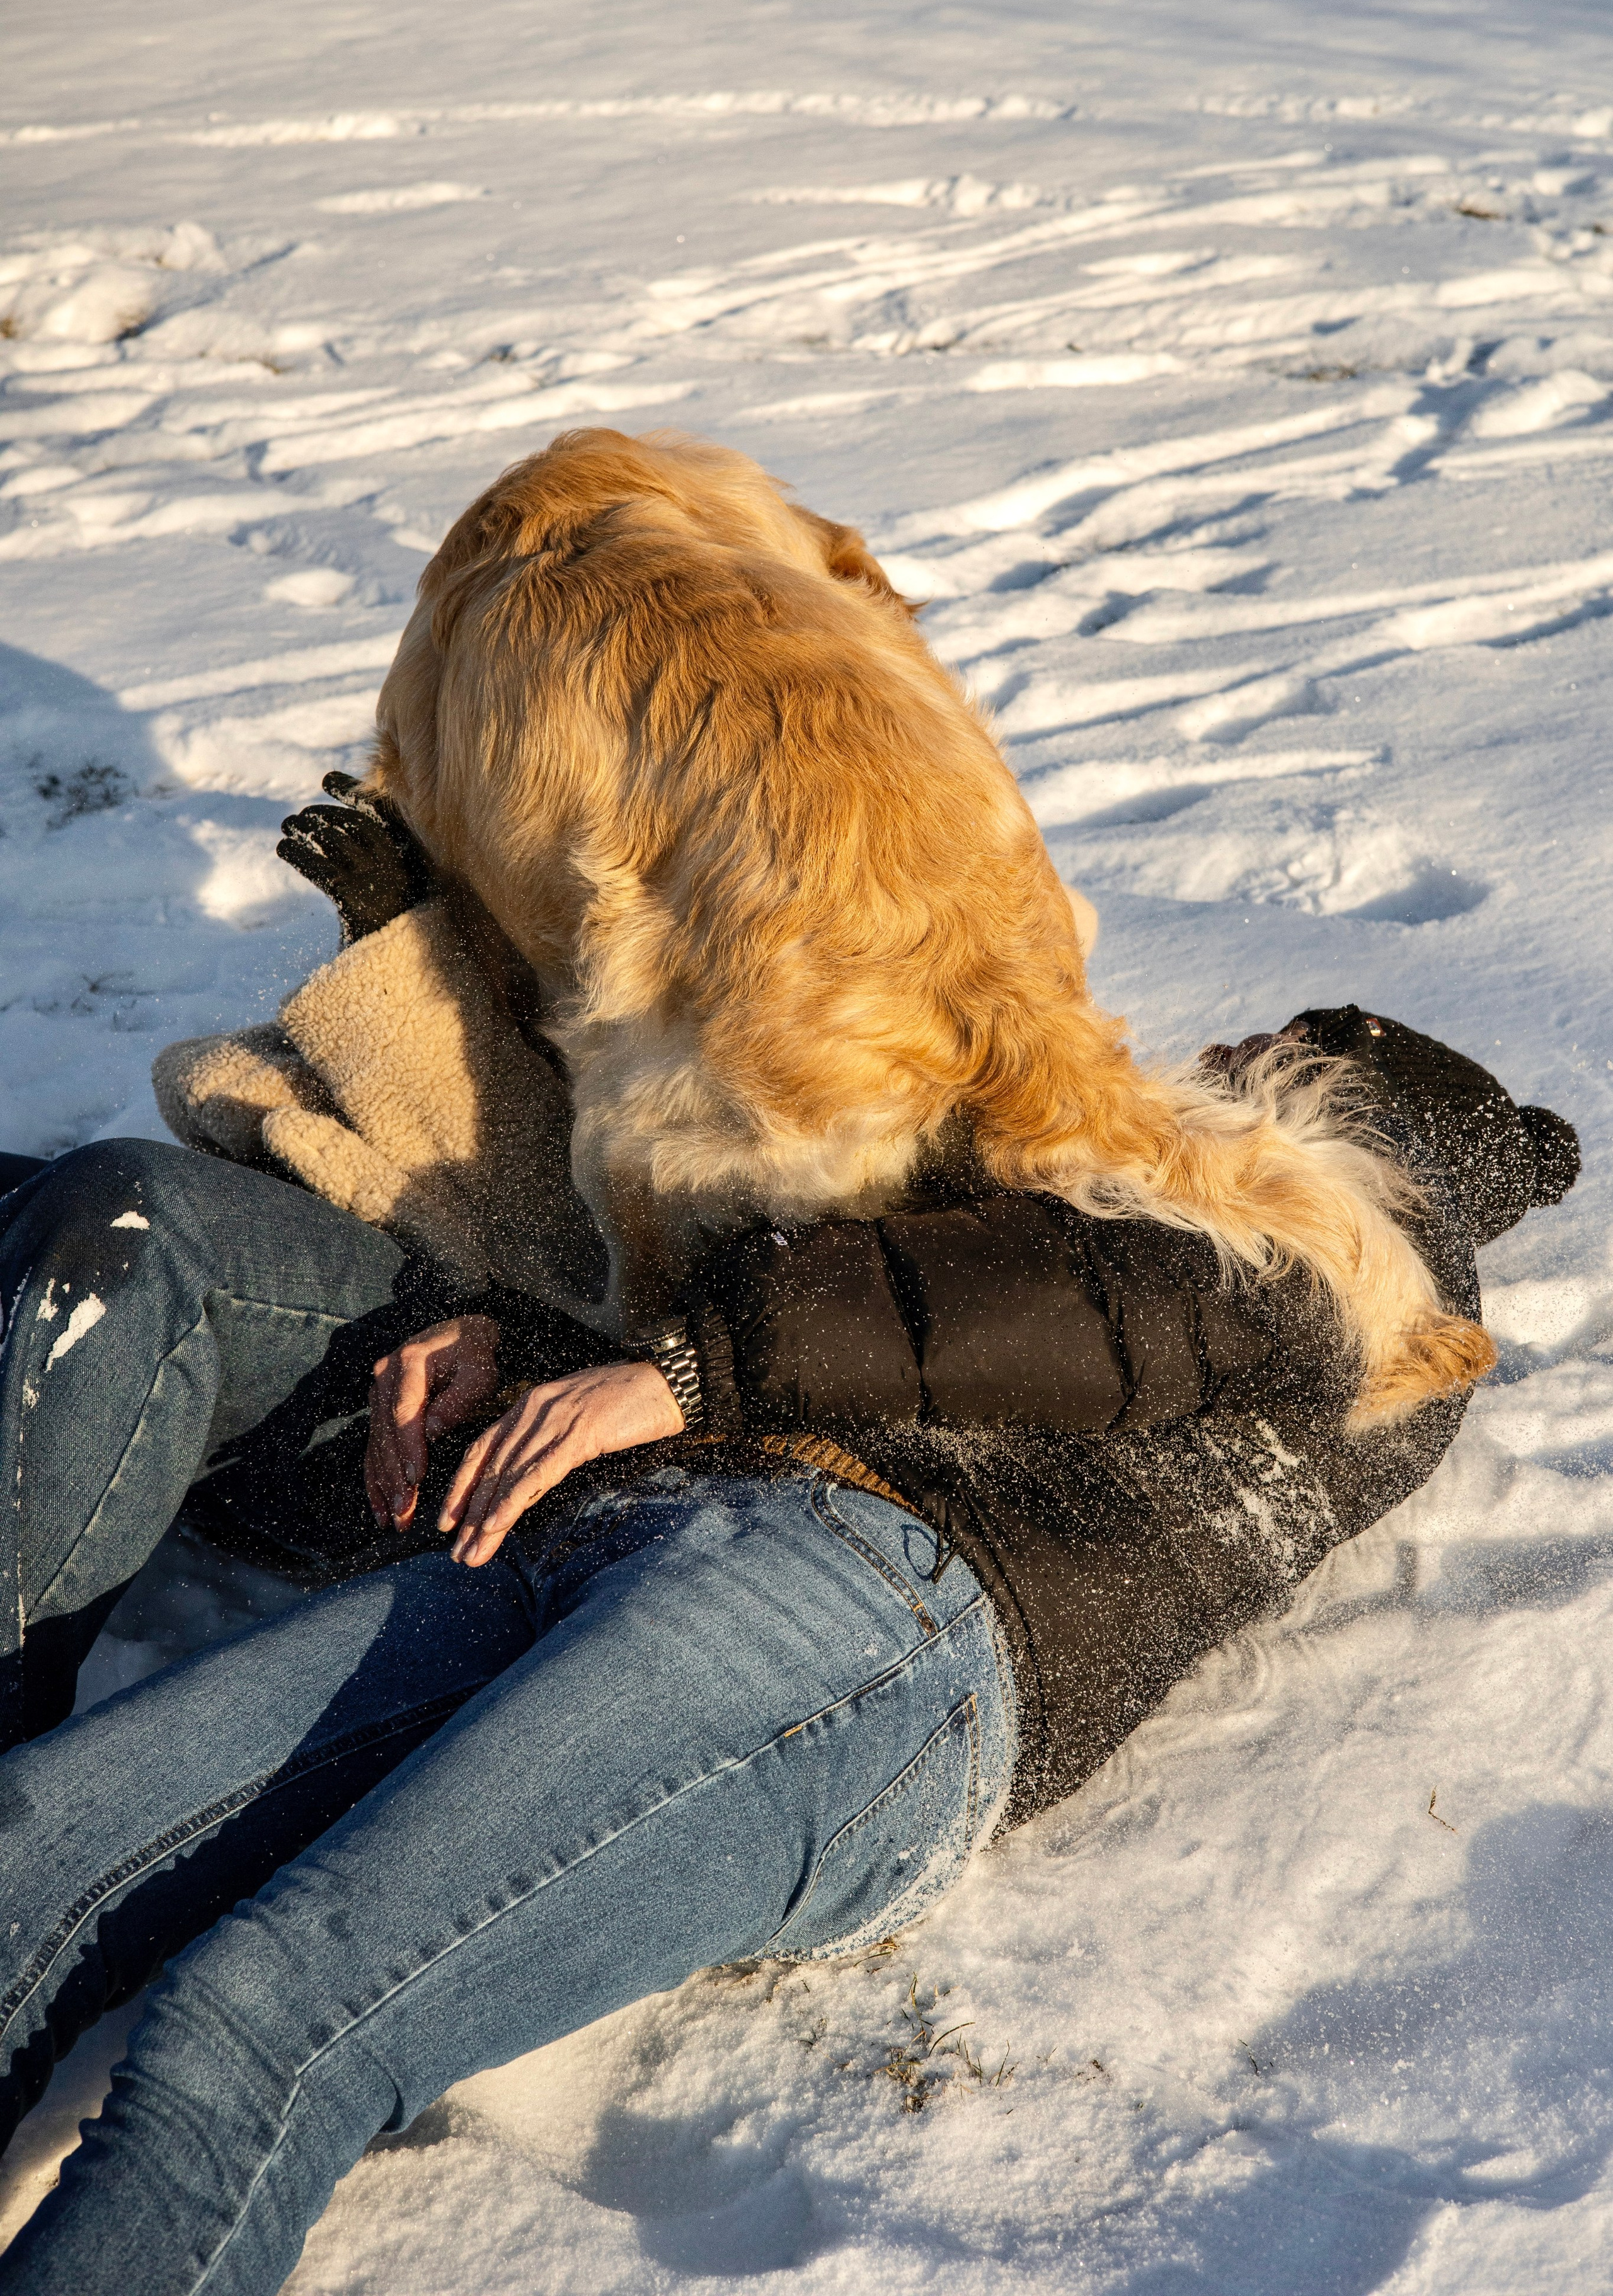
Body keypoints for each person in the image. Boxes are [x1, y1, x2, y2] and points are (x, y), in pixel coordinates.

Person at [0, 792, 1580, 2293]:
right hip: (629, 1536)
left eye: (1279, 1052)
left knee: (260, 2028)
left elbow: (1083, 1317)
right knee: (35, 1853)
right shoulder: (1082, 1194)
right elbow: (880, 1326)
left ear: (1361, 1120)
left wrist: (692, 1370)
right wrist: (522, 1352)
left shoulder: (1366, 1279)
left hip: (863, 1630)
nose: (1223, 1048)